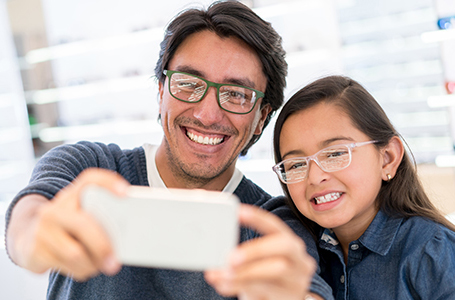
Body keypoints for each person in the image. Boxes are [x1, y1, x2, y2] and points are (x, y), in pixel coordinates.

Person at [4, 1, 332, 299]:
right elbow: (28, 218)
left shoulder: (271, 223)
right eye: (189, 84)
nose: (207, 115)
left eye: (236, 94)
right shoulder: (89, 168)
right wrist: (35, 236)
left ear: (261, 118)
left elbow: (308, 290)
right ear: (161, 92)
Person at [272, 75, 455, 299]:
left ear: (387, 158)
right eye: (296, 164)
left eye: (336, 153)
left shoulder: (433, 251)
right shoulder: (301, 248)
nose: (315, 177)